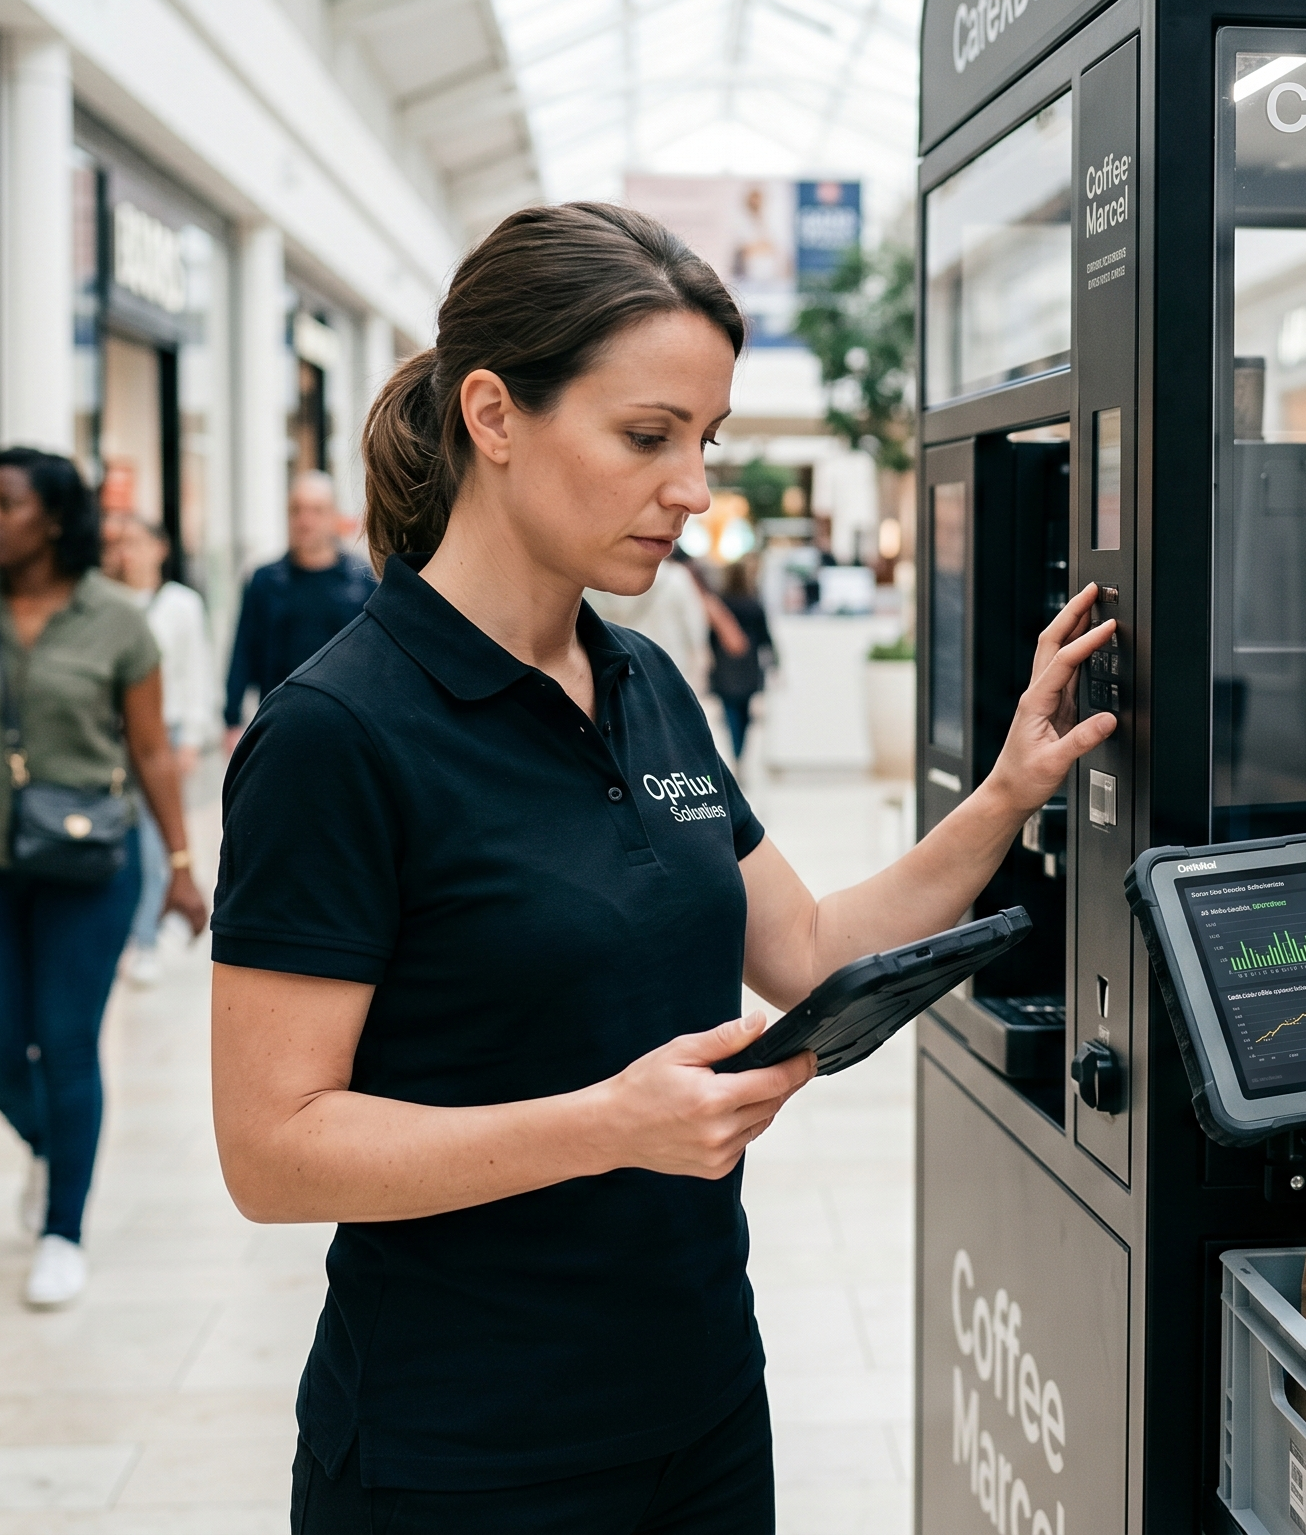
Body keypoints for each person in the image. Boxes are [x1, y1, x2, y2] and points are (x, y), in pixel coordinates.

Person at [207, 203, 1114, 1531]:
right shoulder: (336, 737)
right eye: (648, 438)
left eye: (706, 441)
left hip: (698, 1410)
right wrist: (607, 1125)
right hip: (460, 1454)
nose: (693, 490)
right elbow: (271, 1152)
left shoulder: (641, 681)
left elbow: (808, 952)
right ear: (494, 415)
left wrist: (1005, 795)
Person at [0, 449, 208, 1309]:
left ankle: (64, 1226)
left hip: (87, 869)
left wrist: (179, 865)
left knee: (67, 1043)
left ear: (55, 519)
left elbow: (148, 751)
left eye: (7, 504)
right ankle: (49, 1144)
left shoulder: (118, 623)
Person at [102, 513, 216, 986]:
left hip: (163, 735)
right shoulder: (105, 605)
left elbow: (196, 670)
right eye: (119, 543)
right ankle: (125, 931)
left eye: (134, 541)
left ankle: (144, 938)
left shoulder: (180, 605)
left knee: (154, 842)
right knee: (118, 838)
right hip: (110, 736)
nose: (126, 552)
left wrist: (191, 736)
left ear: (159, 548)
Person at [222, 470, 375, 748]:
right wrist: (231, 720)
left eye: (316, 510)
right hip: (278, 722)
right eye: (297, 510)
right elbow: (244, 649)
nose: (305, 521)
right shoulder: (265, 580)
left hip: (348, 724)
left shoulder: (363, 581)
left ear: (333, 517)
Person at [586, 545, 712, 694]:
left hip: (612, 675)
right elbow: (696, 629)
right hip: (668, 672)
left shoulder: (592, 581)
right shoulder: (676, 577)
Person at [710, 554, 772, 761]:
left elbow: (710, 638)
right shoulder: (754, 604)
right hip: (748, 666)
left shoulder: (720, 604)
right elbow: (765, 638)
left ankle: (735, 751)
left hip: (724, 665)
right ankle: (740, 753)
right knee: (744, 713)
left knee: (730, 712)